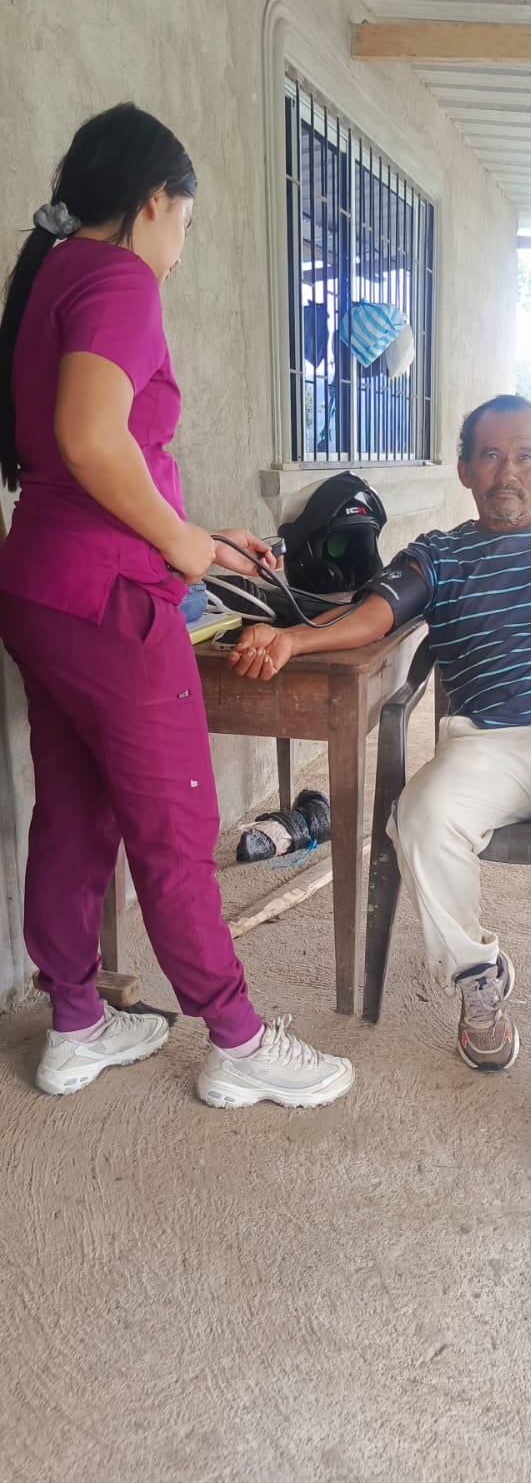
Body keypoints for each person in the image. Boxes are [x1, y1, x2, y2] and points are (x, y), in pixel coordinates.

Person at [230, 394, 531, 1178]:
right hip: (487, 741)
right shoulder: (438, 552)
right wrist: (292, 637)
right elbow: (375, 616)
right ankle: (479, 977)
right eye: (491, 455)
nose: (508, 472)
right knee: (421, 814)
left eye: (524, 456)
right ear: (465, 467)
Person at [0, 102, 353, 1111]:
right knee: (174, 819)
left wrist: (196, 532)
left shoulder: (52, 275)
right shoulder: (119, 277)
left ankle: (75, 1022)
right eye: (186, 222)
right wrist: (182, 545)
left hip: (42, 586)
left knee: (75, 809)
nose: (182, 247)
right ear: (155, 200)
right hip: (111, 600)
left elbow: (85, 460)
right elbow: (91, 439)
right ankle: (235, 1039)